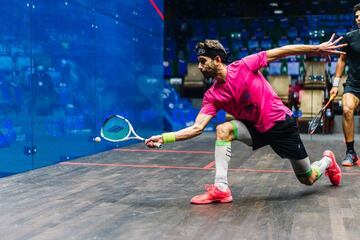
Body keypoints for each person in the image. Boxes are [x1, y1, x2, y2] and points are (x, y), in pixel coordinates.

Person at [146, 35, 346, 204]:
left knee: (308, 178)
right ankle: (221, 187)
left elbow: (283, 51)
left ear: (217, 60)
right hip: (255, 128)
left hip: (279, 124)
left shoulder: (244, 66)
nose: (199, 66)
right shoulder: (212, 95)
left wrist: (316, 48)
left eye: (203, 61)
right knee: (223, 130)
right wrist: (165, 137)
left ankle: (328, 161)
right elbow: (197, 128)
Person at [330, 3, 360, 167]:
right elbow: (341, 60)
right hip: (353, 84)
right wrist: (335, 84)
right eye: (356, 16)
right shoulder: (350, 37)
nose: (359, 19)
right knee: (347, 109)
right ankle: (350, 152)